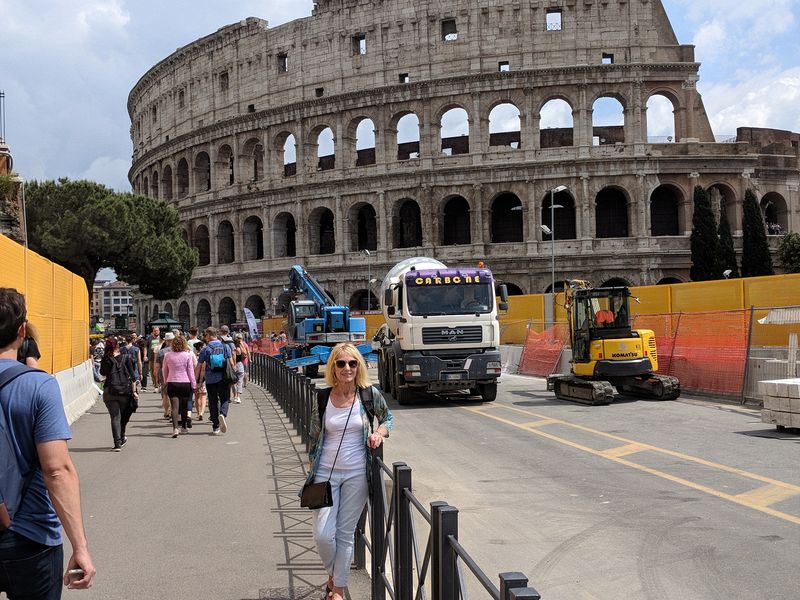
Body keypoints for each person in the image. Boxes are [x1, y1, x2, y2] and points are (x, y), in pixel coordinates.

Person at [0, 288, 96, 596]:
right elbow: (57, 471)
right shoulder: (39, 385)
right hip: (30, 534)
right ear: (22, 330)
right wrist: (80, 546)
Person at [305, 343, 393, 600]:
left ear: (359, 366)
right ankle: (334, 576)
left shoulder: (368, 394)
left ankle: (338, 591)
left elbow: (387, 419)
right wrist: (312, 468)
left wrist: (378, 433)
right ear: (333, 366)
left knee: (344, 534)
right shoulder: (323, 397)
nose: (347, 368)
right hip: (326, 474)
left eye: (352, 363)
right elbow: (314, 435)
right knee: (323, 535)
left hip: (356, 474)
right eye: (341, 363)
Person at [99, 338, 136, 451]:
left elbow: (102, 373)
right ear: (117, 346)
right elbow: (133, 376)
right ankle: (122, 436)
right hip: (124, 392)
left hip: (110, 391)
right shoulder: (125, 357)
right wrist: (134, 392)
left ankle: (117, 444)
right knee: (124, 416)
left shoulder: (106, 359)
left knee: (115, 417)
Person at [196, 327, 234, 435]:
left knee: (212, 401)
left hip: (210, 379)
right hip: (223, 377)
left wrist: (196, 380)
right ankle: (223, 413)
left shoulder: (205, 349)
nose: (205, 338)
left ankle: (215, 426)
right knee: (225, 398)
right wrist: (233, 374)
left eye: (205, 335)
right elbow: (231, 363)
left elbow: (199, 366)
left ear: (209, 335)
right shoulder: (225, 346)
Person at [162, 334, 196, 438]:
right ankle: (184, 427)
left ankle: (175, 428)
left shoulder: (167, 355)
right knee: (184, 406)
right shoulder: (188, 355)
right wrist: (194, 385)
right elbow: (190, 371)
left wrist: (166, 380)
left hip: (172, 382)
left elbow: (164, 370)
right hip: (185, 382)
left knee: (174, 407)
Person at [156, 332, 174, 419]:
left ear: (166, 341)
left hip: (164, 374)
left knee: (165, 394)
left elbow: (157, 366)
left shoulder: (161, 352)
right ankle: (172, 410)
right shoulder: (177, 350)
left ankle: (167, 411)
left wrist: (156, 377)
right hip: (175, 373)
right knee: (174, 394)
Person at [232, 334, 249, 403]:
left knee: (233, 381)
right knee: (239, 381)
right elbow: (245, 353)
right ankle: (238, 397)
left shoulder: (233, 349)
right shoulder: (240, 349)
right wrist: (241, 345)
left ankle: (235, 395)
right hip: (240, 365)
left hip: (233, 365)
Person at [146, 326, 162, 391]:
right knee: (153, 371)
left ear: (159, 331)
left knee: (159, 371)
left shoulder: (161, 338)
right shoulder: (149, 338)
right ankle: (155, 385)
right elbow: (146, 347)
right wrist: (145, 355)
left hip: (160, 357)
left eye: (157, 330)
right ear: (153, 331)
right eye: (155, 331)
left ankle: (160, 384)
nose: (156, 332)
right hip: (151, 357)